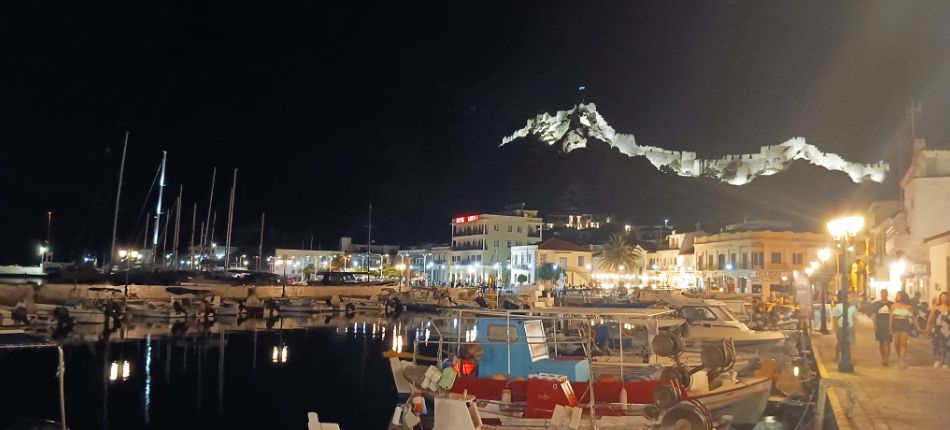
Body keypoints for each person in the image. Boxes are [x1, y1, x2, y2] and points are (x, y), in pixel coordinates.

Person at [890, 291, 922, 368]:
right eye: (897, 295)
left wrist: (918, 327)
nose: (897, 297)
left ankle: (902, 360)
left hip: (905, 323)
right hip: (896, 323)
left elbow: (913, 318)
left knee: (903, 344)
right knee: (896, 344)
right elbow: (891, 318)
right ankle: (899, 357)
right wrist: (890, 327)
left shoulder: (909, 307)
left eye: (899, 295)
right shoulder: (894, 306)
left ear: (903, 296)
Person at [867, 288, 893, 366]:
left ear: (887, 295)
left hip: (888, 326)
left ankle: (886, 358)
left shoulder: (891, 304)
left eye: (885, 294)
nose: (883, 295)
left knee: (887, 342)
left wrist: (891, 326)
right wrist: (874, 325)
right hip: (879, 326)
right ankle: (883, 357)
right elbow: (873, 315)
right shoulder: (876, 304)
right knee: (881, 343)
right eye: (882, 294)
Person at [925, 291, 950, 369]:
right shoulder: (936, 308)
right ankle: (937, 360)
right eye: (942, 297)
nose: (943, 299)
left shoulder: (949, 308)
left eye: (945, 297)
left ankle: (946, 361)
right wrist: (928, 330)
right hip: (937, 329)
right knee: (937, 345)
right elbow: (930, 320)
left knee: (947, 346)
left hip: (947, 329)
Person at [833, 290, 857, 364]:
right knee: (840, 342)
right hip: (841, 326)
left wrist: (854, 327)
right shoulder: (838, 306)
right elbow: (835, 318)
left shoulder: (853, 307)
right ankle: (837, 356)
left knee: (852, 343)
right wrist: (836, 328)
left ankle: (851, 358)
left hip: (850, 327)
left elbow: (854, 318)